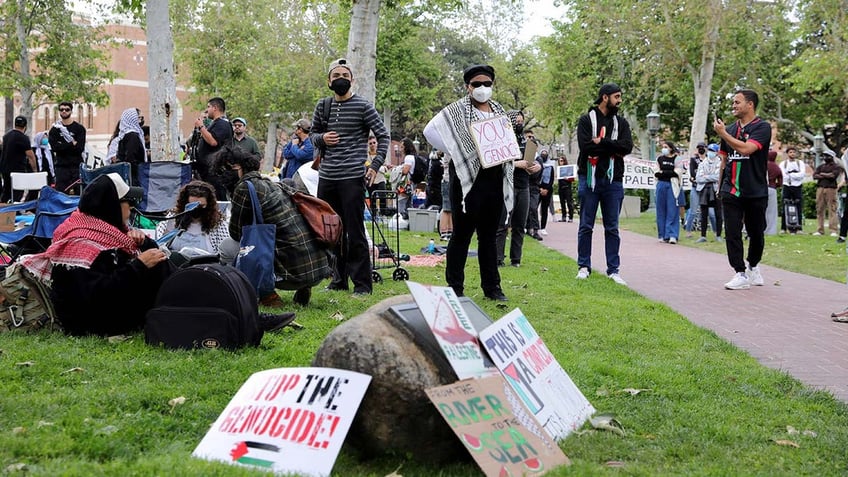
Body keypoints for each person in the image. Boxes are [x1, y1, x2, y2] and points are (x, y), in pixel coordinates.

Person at [20, 173, 168, 336]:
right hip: (90, 322)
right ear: (112, 206)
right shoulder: (82, 242)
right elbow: (96, 295)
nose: (132, 208)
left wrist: (144, 244)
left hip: (101, 313)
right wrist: (139, 265)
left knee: (159, 263)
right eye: (129, 202)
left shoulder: (106, 232)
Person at [424, 64, 514, 301]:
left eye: (487, 84)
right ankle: (455, 288)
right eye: (477, 84)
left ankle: (492, 288)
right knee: (461, 235)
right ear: (468, 87)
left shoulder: (499, 111)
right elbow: (429, 131)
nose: (482, 88)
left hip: (494, 177)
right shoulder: (455, 111)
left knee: (488, 236)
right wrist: (456, 151)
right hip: (466, 180)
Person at [309, 58, 390, 296]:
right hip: (327, 178)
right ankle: (337, 280)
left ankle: (363, 285)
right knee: (332, 232)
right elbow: (313, 135)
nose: (340, 79)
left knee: (355, 232)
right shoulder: (322, 106)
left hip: (352, 178)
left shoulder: (363, 106)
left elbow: (383, 136)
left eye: (345, 75)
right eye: (336, 76)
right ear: (328, 81)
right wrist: (322, 139)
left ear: (352, 80)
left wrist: (374, 166)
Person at [218, 147, 332, 307]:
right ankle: (304, 288)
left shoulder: (244, 188)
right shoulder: (272, 184)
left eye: (224, 170)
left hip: (291, 276)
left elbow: (236, 233)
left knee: (228, 247)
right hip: (317, 267)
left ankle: (267, 295)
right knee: (284, 236)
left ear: (237, 168)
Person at [713, 89, 772, 290]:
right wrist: (720, 187)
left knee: (756, 232)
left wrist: (722, 133)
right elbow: (723, 161)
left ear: (750, 105)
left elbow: (747, 149)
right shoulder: (729, 129)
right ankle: (739, 272)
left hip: (755, 190)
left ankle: (753, 265)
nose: (733, 106)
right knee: (732, 232)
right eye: (733, 102)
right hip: (731, 190)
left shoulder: (762, 127)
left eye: (737, 102)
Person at [575, 83, 633, 285]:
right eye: (617, 96)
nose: (620, 100)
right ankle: (583, 266)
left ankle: (613, 270)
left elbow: (626, 147)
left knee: (612, 227)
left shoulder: (622, 123)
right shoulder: (585, 120)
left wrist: (602, 142)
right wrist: (611, 148)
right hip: (589, 178)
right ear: (605, 97)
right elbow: (585, 147)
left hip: (613, 181)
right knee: (586, 225)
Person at [496, 110, 540, 267]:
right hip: (507, 186)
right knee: (502, 224)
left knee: (520, 225)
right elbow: (495, 164)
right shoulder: (502, 141)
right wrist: (515, 164)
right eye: (517, 122)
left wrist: (536, 166)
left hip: (524, 186)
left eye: (522, 121)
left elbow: (534, 160)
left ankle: (516, 259)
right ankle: (498, 258)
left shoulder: (525, 141)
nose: (520, 124)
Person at [155, 180, 231, 262]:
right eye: (192, 206)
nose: (196, 209)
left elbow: (224, 253)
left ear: (208, 205)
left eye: (201, 206)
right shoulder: (173, 218)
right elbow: (160, 244)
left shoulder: (218, 223)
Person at [193, 97, 233, 201]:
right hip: (207, 171)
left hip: (216, 172)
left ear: (215, 108)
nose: (207, 110)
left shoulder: (223, 124)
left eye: (208, 107)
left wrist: (201, 127)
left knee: (218, 199)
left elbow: (213, 141)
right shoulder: (215, 123)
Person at [49, 101, 87, 195]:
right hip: (61, 167)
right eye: (61, 110)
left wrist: (62, 145)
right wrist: (71, 144)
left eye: (67, 109)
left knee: (79, 193)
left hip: (76, 167)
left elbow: (79, 148)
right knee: (61, 194)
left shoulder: (79, 128)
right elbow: (55, 147)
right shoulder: (55, 129)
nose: (64, 111)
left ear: (71, 111)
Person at [0, 116, 38, 202]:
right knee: (17, 193)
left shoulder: (6, 136)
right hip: (17, 170)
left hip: (5, 169)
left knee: (6, 192)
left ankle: (3, 212)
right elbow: (30, 156)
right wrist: (34, 169)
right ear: (25, 126)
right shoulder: (23, 138)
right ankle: (14, 212)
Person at [694, 143, 723, 243]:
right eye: (710, 150)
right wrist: (709, 177)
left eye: (713, 151)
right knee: (703, 213)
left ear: (717, 152)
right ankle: (703, 235)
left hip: (716, 190)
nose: (711, 153)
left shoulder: (720, 163)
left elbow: (718, 177)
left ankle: (718, 235)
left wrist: (706, 176)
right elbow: (698, 178)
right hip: (704, 190)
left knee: (718, 213)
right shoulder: (702, 163)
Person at [654, 140, 681, 244]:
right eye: (663, 147)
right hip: (661, 185)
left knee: (672, 210)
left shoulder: (677, 159)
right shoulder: (659, 159)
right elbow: (656, 172)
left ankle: (672, 235)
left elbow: (677, 172)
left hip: (672, 185)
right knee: (660, 210)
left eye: (666, 147)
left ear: (670, 148)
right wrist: (668, 173)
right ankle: (662, 234)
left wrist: (664, 172)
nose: (664, 148)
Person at [114, 108, 147, 186]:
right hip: (133, 177)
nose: (140, 121)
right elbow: (131, 158)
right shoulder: (132, 136)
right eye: (138, 118)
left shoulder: (126, 135)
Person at [812, 149, 841, 236]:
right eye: (824, 155)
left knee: (832, 208)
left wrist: (822, 174)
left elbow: (833, 176)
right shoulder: (821, 166)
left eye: (827, 156)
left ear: (832, 157)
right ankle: (820, 230)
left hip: (831, 189)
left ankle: (833, 230)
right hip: (820, 188)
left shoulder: (836, 166)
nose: (825, 157)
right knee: (819, 209)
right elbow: (814, 176)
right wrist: (826, 175)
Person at [779, 146, 805, 234]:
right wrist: (794, 174)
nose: (792, 154)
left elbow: (802, 174)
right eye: (790, 152)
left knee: (798, 206)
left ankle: (799, 228)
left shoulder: (800, 163)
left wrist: (791, 174)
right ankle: (784, 227)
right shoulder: (783, 164)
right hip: (787, 186)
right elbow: (783, 175)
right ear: (787, 154)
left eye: (794, 152)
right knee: (785, 206)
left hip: (797, 186)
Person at [684, 142, 707, 237]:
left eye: (703, 147)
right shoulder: (694, 159)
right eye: (699, 148)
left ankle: (711, 232)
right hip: (696, 187)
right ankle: (688, 230)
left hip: (706, 188)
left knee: (710, 212)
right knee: (693, 211)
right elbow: (693, 174)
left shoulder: (709, 160)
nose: (701, 149)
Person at [538, 150, 555, 236]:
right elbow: (535, 178)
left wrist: (546, 189)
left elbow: (552, 179)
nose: (543, 156)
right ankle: (532, 226)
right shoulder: (537, 165)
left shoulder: (551, 166)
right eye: (542, 154)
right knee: (533, 208)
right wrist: (540, 188)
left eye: (545, 154)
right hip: (538, 189)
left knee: (544, 210)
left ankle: (543, 228)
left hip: (547, 190)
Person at [765, 150, 782, 235]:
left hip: (762, 188)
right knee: (772, 211)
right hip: (772, 188)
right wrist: (775, 185)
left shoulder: (763, 164)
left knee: (761, 210)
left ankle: (761, 229)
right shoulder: (776, 167)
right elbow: (780, 181)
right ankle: (771, 231)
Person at [557, 156, 575, 222]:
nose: (560, 162)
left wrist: (567, 178)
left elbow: (573, 178)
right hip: (560, 188)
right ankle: (563, 217)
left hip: (567, 188)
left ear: (564, 161)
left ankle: (571, 217)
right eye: (559, 161)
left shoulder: (568, 168)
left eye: (562, 161)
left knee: (569, 202)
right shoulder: (559, 169)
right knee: (562, 203)